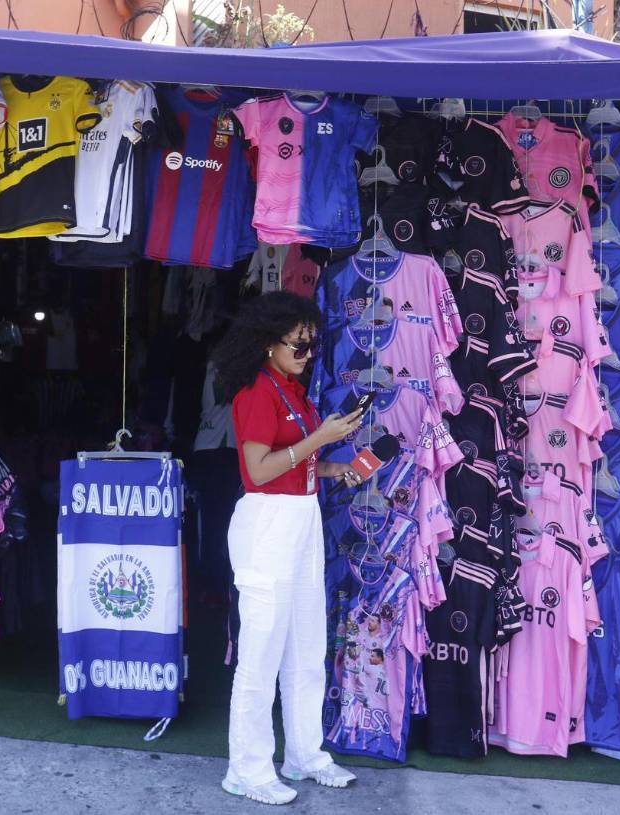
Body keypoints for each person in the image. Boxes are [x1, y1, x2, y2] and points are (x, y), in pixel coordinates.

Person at [213, 291, 366, 806]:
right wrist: (320, 439)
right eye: (297, 345)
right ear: (267, 343)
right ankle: (247, 769)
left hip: (301, 518)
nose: (305, 353)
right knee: (261, 653)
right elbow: (257, 471)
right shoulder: (257, 392)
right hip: (268, 525)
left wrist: (331, 464)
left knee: (305, 647)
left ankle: (304, 754)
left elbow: (291, 460)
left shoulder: (292, 392)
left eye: (310, 345)